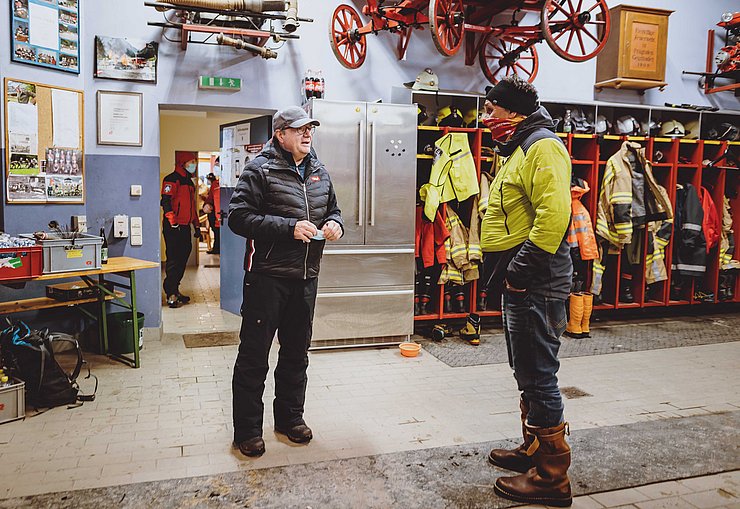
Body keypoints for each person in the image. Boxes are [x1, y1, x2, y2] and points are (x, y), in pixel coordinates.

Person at [479, 76, 574, 507]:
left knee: (539, 375)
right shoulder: (519, 147)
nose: (487, 118)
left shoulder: (543, 146)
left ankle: (553, 479)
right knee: (526, 371)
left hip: (536, 277)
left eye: (491, 110)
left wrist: (519, 272)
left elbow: (553, 217)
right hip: (518, 276)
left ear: (512, 112)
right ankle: (534, 450)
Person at [228, 106, 343, 458]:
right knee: (254, 357)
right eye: (300, 129)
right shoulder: (259, 169)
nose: (308, 134)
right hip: (268, 278)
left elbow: (333, 210)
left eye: (310, 128)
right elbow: (238, 217)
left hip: (306, 279)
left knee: (296, 354)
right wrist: (288, 228)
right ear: (281, 134)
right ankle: (247, 431)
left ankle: (290, 419)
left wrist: (336, 224)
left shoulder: (319, 171)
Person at [161, 151, 201, 308]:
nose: (194, 164)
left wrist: (196, 225)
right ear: (182, 162)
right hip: (173, 227)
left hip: (185, 227)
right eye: (191, 161)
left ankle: (175, 289)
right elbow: (166, 201)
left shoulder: (189, 182)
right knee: (174, 260)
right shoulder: (171, 179)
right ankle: (170, 292)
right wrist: (173, 221)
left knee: (182, 259)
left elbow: (192, 206)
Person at [203, 171, 221, 254]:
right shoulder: (215, 184)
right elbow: (210, 198)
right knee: (217, 234)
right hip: (215, 216)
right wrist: (207, 204)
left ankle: (217, 249)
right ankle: (216, 249)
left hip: (223, 217)